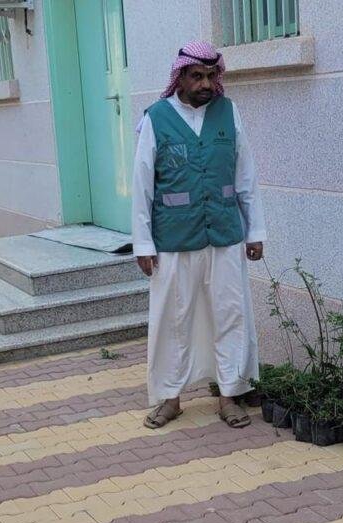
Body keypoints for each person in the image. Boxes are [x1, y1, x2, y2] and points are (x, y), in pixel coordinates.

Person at [130, 40, 267, 429]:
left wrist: (255, 230)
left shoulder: (228, 112)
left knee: (230, 315)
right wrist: (143, 243)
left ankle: (229, 396)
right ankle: (170, 399)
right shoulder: (157, 118)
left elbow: (246, 175)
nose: (205, 84)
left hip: (225, 234)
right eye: (197, 76)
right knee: (173, 320)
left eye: (210, 76)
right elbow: (142, 185)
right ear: (180, 78)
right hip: (173, 239)